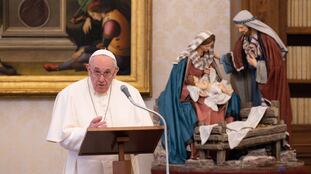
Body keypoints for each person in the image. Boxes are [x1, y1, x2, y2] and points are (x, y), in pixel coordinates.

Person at [46, 49, 153, 174]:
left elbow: (144, 133)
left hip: (122, 166)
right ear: (88, 69)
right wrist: (87, 133)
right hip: (85, 168)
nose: (101, 79)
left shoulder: (130, 93)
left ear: (115, 72)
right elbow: (63, 137)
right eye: (96, 72)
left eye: (107, 73)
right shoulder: (69, 94)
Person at [158, 31, 240, 164]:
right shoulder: (187, 58)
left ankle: (221, 139)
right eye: (208, 45)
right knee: (207, 107)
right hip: (191, 88)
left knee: (226, 98)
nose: (209, 48)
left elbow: (212, 76)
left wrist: (208, 74)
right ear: (201, 44)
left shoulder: (207, 57)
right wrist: (195, 83)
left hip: (205, 86)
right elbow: (182, 79)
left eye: (211, 46)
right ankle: (203, 147)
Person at [219, 10, 292, 135]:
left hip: (266, 81)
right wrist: (221, 58)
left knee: (265, 109)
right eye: (238, 28)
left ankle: (268, 138)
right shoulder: (245, 38)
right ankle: (258, 139)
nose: (240, 30)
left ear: (249, 24)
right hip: (254, 78)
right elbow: (238, 57)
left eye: (241, 27)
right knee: (255, 108)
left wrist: (257, 65)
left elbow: (276, 65)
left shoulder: (266, 39)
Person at [43, 0, 131, 75]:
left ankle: (65, 67)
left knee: (84, 55)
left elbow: (102, 48)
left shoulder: (110, 24)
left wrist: (83, 50)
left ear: (99, 11)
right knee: (83, 52)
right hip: (113, 52)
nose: (92, 17)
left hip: (119, 59)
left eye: (93, 14)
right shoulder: (112, 13)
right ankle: (60, 67)